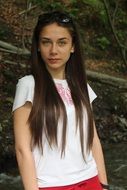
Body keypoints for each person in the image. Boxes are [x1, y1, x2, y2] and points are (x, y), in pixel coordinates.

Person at [12, 11, 109, 190]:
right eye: (46, 42)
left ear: (73, 47)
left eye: (62, 42)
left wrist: (103, 184)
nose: (54, 50)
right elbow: (22, 149)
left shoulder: (81, 86)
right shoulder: (28, 86)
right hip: (52, 185)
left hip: (91, 180)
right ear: (38, 46)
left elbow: (93, 138)